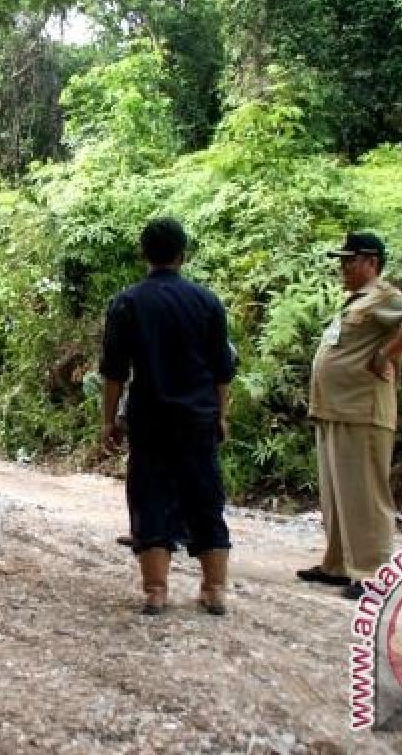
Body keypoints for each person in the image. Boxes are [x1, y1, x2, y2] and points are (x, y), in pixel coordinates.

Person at [99, 217, 236, 616]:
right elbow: (222, 369)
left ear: (145, 254)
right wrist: (221, 415)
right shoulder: (208, 301)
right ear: (183, 254)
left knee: (150, 496)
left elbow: (114, 371)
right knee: (205, 497)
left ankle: (156, 591)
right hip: (198, 418)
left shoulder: (127, 302)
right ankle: (213, 590)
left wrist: (108, 420)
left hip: (149, 417)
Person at [299, 232, 402, 600]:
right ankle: (339, 564)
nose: (342, 267)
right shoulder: (357, 302)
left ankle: (374, 573)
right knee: (336, 493)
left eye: (349, 260)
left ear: (371, 262)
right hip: (336, 409)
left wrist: (385, 355)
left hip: (363, 410)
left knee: (365, 495)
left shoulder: (384, 295)